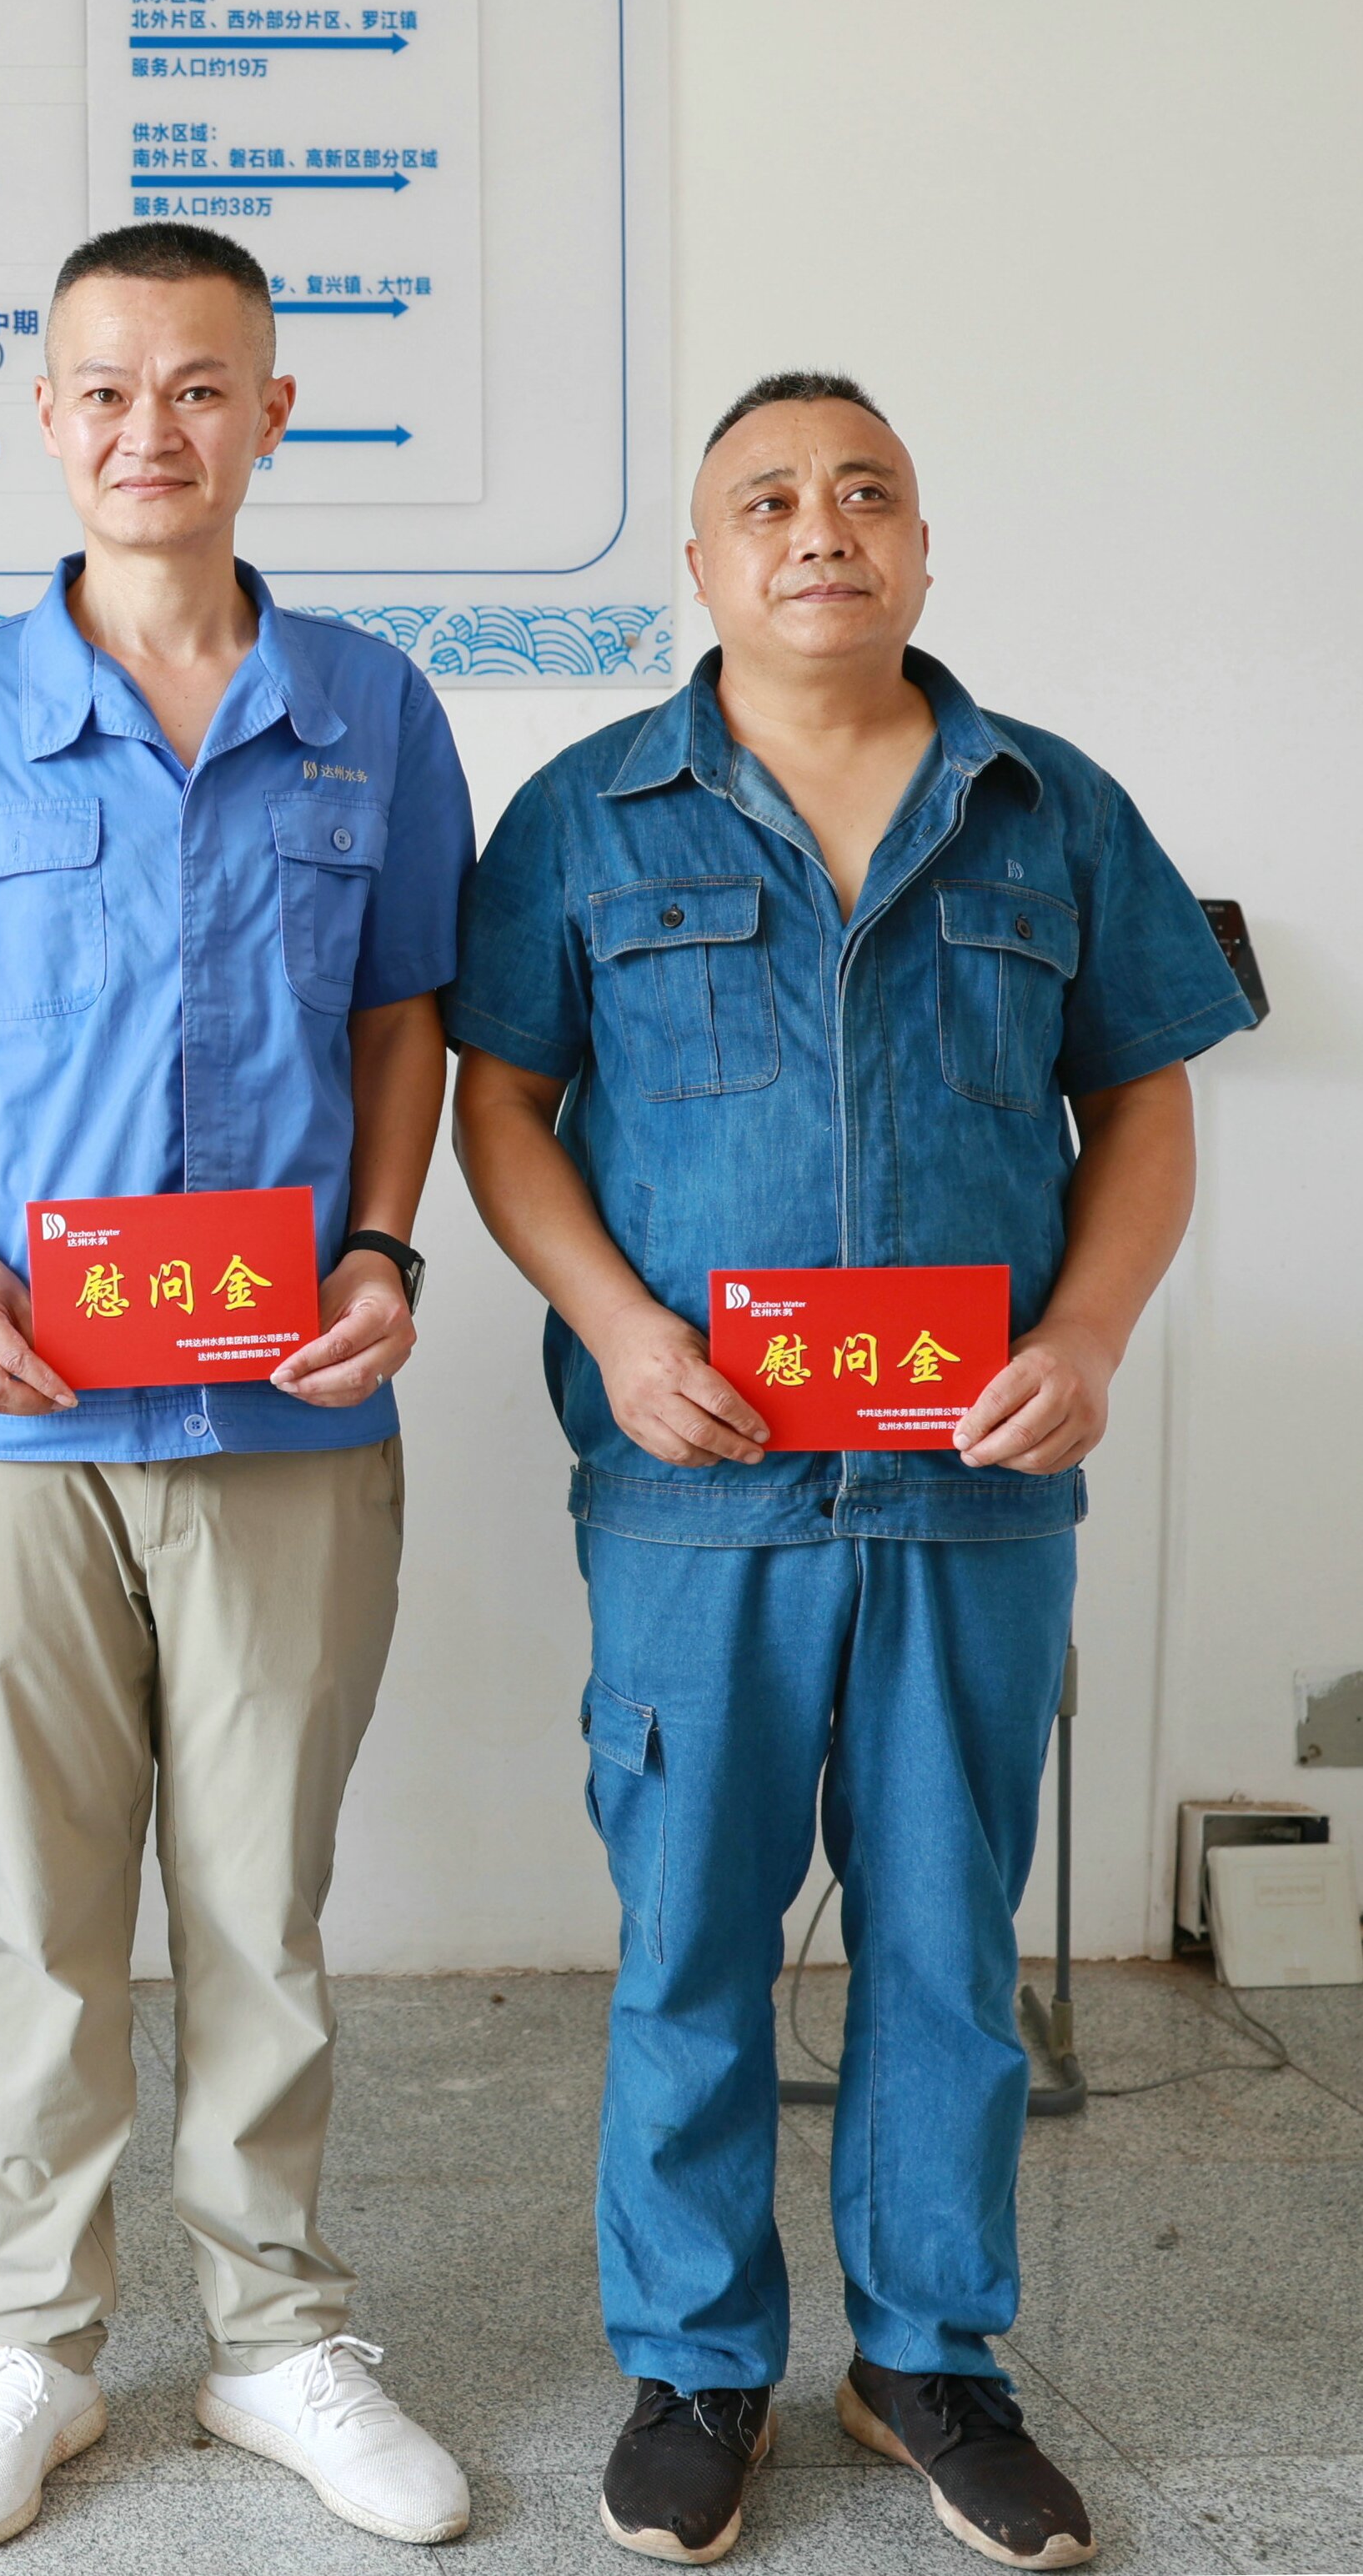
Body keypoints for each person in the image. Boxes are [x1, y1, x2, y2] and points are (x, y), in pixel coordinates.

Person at [448, 373, 1250, 2570]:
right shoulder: (585, 814)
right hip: (692, 1483)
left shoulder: (1047, 806)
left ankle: (926, 2359)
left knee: (942, 1941)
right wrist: (622, 1332)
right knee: (688, 1938)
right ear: (700, 562)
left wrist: (1084, 1337)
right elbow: (499, 1104)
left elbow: (1145, 1101)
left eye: (865, 492)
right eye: (770, 499)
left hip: (970, 1484)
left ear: (919, 545)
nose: (822, 527)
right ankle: (695, 2362)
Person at [0, 223, 477, 2553]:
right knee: (43, 1903)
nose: (148, 429)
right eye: (103, 388)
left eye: (198, 387)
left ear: (274, 410)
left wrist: (382, 1243)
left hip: (289, 1399)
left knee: (262, 1900)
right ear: (46, 415)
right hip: (14, 1406)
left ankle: (277, 2337)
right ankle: (36, 2344)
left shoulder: (372, 706)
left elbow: (405, 1011)